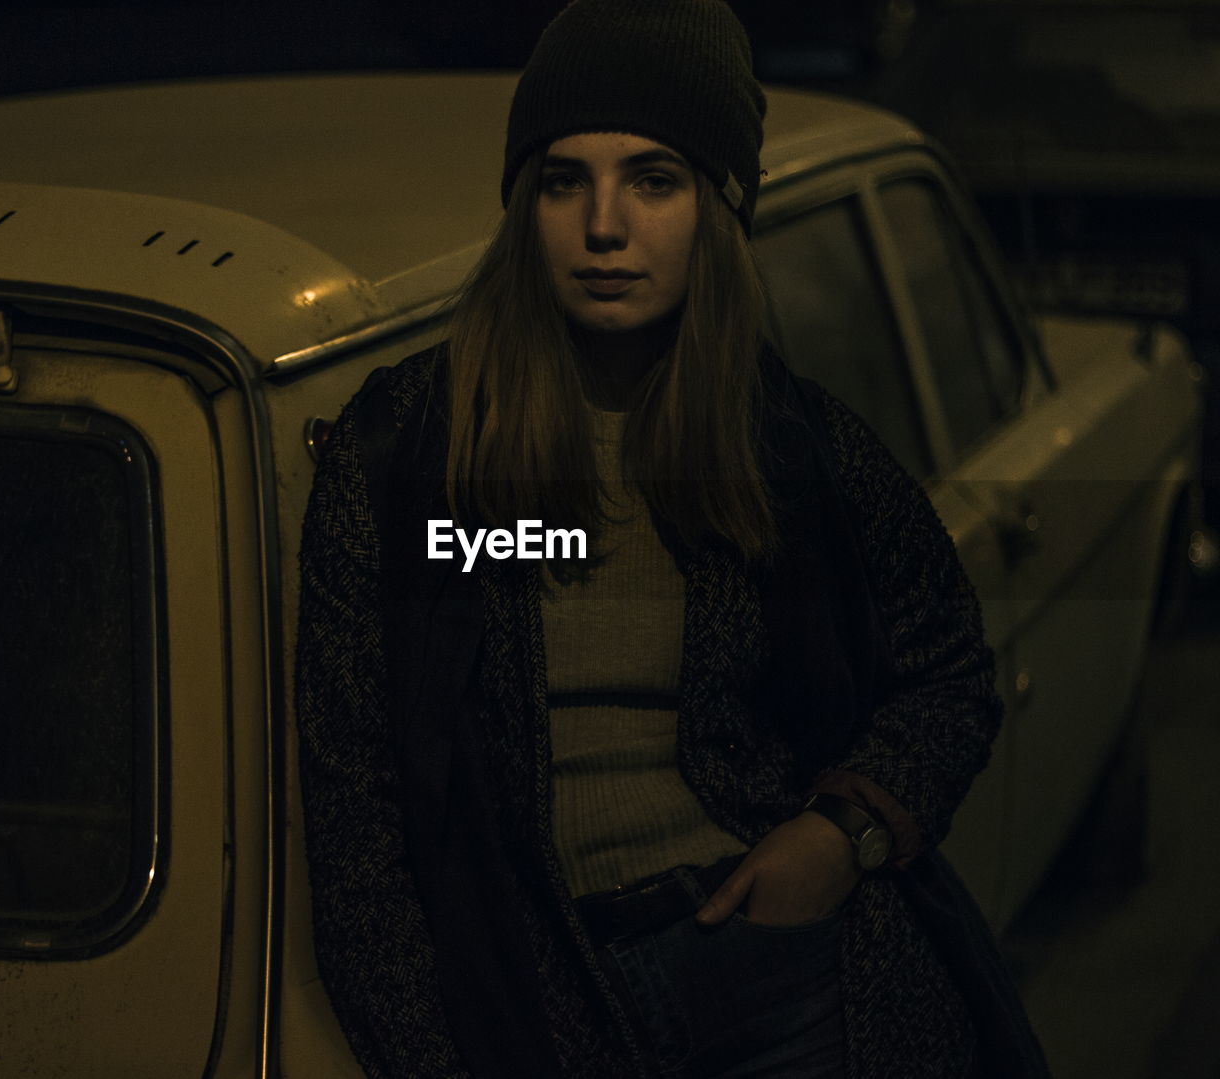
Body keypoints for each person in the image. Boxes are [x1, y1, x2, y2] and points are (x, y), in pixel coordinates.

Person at [295, 1, 1049, 1076]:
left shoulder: (789, 443)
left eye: (653, 179)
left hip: (775, 973)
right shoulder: (404, 452)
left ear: (717, 207)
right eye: (564, 179)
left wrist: (839, 835)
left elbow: (948, 671)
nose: (604, 225)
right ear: (524, 205)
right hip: (537, 998)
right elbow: (354, 804)